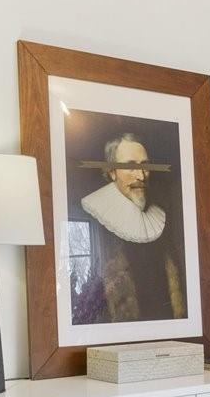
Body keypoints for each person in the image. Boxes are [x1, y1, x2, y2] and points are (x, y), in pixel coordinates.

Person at [72, 130, 185, 324]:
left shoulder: (161, 215)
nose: (141, 175)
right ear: (112, 172)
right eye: (130, 167)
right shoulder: (91, 214)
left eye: (145, 166)